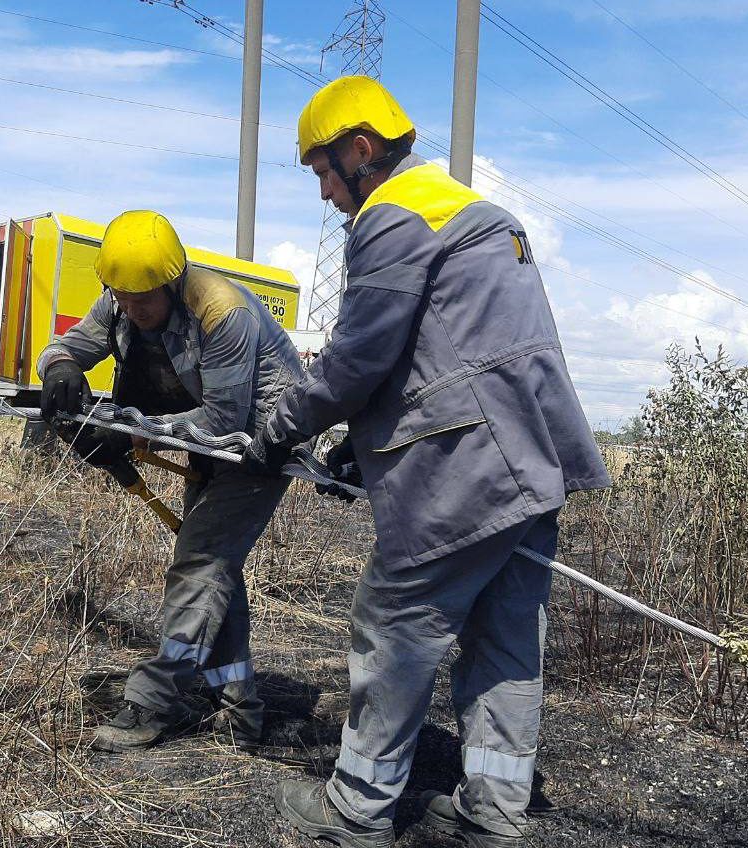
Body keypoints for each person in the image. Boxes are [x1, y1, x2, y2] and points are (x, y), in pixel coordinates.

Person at [245, 77, 611, 847]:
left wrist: (284, 426)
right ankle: (493, 815)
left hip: (465, 473)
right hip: (532, 463)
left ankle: (357, 810)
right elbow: (445, 350)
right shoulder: (481, 215)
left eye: (322, 171)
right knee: (507, 641)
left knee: (394, 629)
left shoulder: (391, 215)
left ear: (361, 151)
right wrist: (359, 445)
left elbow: (357, 357)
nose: (325, 194)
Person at [37, 210, 305, 751]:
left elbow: (225, 423)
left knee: (199, 563)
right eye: (123, 299)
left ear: (172, 281)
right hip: (201, 446)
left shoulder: (223, 312)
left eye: (144, 301)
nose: (132, 312)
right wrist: (61, 366)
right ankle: (241, 709)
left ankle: (159, 698)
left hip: (260, 448)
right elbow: (67, 347)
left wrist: (133, 435)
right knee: (215, 573)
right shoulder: (120, 301)